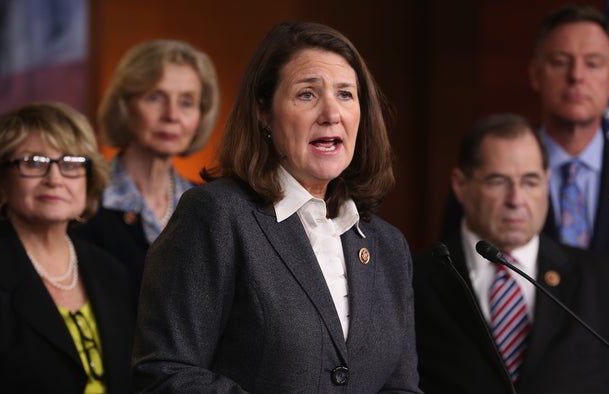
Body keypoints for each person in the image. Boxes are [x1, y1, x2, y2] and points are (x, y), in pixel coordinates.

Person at [132, 22, 421, 393]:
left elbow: (401, 388)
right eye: (307, 94)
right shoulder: (216, 215)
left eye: (346, 95)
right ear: (263, 113)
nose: (331, 113)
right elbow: (163, 371)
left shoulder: (389, 246)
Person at [439, 4, 609, 384]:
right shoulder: (486, 170)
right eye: (561, 61)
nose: (576, 76)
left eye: (593, 63)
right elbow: (452, 285)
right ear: (535, 73)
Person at [414, 114, 609, 393]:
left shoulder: (608, 287)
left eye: (530, 182)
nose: (516, 200)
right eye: (498, 181)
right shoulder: (411, 281)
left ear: (547, 182)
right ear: (461, 185)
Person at [0, 103, 134, 393]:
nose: (54, 179)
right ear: (0, 180)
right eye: (34, 162)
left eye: (71, 163)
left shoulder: (111, 271)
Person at [72, 39, 220, 300]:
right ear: (124, 106)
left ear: (200, 115)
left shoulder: (211, 208)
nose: (172, 115)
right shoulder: (81, 201)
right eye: (155, 98)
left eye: (187, 102)